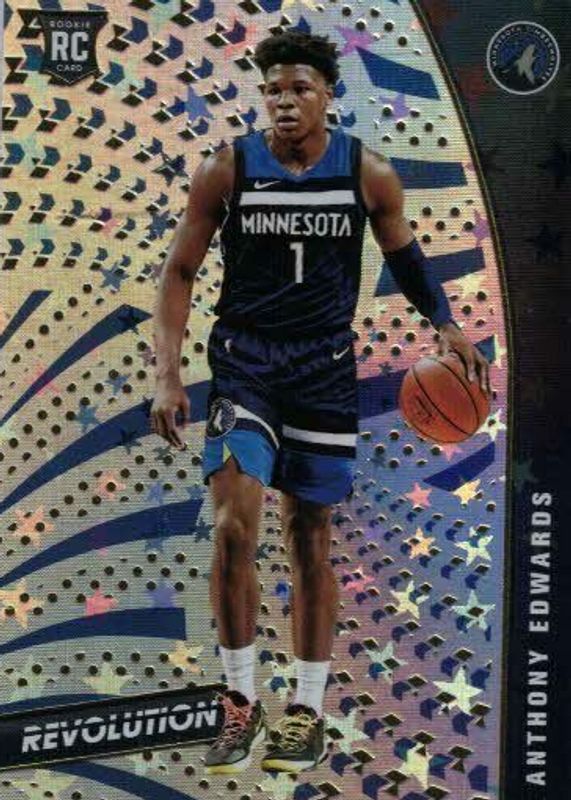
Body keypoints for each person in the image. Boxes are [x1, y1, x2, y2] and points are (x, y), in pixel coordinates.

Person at [151, 30, 491, 775]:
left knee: (309, 537)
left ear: (327, 96)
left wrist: (444, 324)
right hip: (245, 365)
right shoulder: (228, 169)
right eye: (273, 90)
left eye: (299, 89)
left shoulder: (366, 172)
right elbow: (178, 271)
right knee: (232, 528)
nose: (283, 102)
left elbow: (404, 257)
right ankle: (239, 702)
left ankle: (304, 711)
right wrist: (167, 375)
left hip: (323, 371)